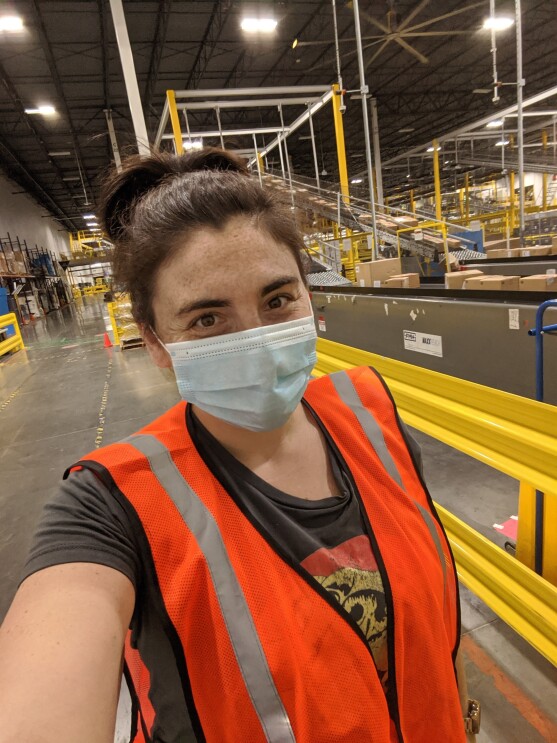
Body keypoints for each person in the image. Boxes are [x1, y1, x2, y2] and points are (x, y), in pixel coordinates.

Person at [0, 149, 478, 743]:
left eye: (278, 300)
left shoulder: (371, 419)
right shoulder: (109, 507)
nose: (257, 340)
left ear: (309, 295)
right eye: (207, 319)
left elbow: (434, 632)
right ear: (153, 342)